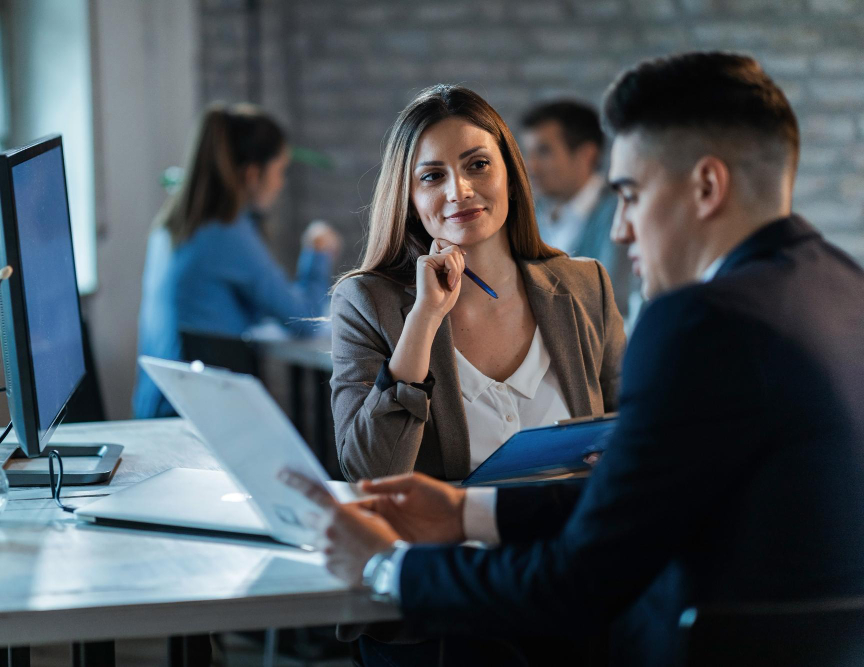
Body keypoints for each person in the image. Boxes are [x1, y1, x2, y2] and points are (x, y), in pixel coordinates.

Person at [285, 52, 864, 666]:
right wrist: (468, 511)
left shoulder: (698, 321)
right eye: (431, 176)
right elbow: (641, 492)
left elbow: (579, 578)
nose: (619, 230)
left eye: (631, 194)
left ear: (706, 187)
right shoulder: (843, 287)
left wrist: (385, 568)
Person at [330, 85, 626, 484]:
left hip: (572, 539)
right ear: (410, 198)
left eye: (478, 165)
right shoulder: (366, 302)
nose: (460, 191)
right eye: (433, 176)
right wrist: (424, 319)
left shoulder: (585, 285)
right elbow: (372, 474)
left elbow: (632, 434)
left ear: (510, 174)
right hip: (452, 544)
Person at [133, 103, 341, 419]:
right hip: (197, 416)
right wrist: (318, 253)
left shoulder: (171, 226)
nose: (281, 183)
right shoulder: (227, 234)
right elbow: (303, 319)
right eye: (279, 171)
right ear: (252, 174)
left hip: (156, 407)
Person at [521, 99, 639, 324]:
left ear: (586, 155)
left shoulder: (621, 213)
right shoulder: (534, 216)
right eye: (529, 153)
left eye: (544, 152)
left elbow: (613, 300)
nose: (530, 166)